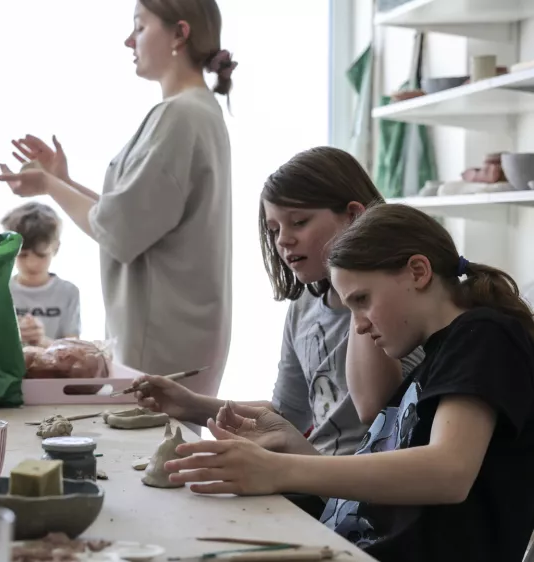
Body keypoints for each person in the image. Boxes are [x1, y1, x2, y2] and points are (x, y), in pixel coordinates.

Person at [165, 203, 534, 562]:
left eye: (362, 299)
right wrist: (292, 444)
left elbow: (448, 472)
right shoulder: (430, 367)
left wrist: (275, 470)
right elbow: (370, 505)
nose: (357, 324)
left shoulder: (483, 335)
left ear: (418, 271)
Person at [0, 0, 235, 395]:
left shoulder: (181, 117)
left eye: (140, 27)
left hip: (164, 339)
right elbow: (131, 214)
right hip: (177, 333)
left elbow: (119, 228)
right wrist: (63, 180)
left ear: (180, 32)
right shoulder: (193, 112)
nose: (129, 40)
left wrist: (50, 186)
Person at [137, 147, 423, 455]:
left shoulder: (396, 297)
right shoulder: (303, 307)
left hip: (361, 490)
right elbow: (287, 417)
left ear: (353, 217)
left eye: (299, 222)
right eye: (274, 230)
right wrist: (190, 405)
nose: (283, 240)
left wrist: (360, 270)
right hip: (318, 478)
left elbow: (372, 405)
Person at [1, 202, 81, 347]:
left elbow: (74, 349)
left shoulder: (68, 292)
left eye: (41, 255)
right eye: (23, 256)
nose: (32, 264)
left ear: (56, 248)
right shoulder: (0, 292)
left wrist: (41, 341)